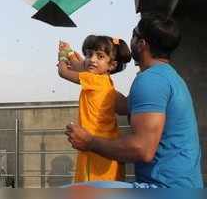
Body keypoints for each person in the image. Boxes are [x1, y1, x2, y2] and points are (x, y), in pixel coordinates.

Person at [65, 13, 203, 188]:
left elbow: (142, 149)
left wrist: (89, 142)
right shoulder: (166, 76)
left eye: (133, 35)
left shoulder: (151, 81)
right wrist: (90, 73)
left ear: (141, 44)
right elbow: (121, 105)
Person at [58, 36, 131, 182]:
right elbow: (82, 66)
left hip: (93, 146)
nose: (92, 59)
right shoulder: (107, 82)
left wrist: (62, 57)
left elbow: (63, 72)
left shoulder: (92, 80)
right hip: (109, 147)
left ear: (112, 65)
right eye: (89, 54)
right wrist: (70, 53)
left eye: (100, 56)